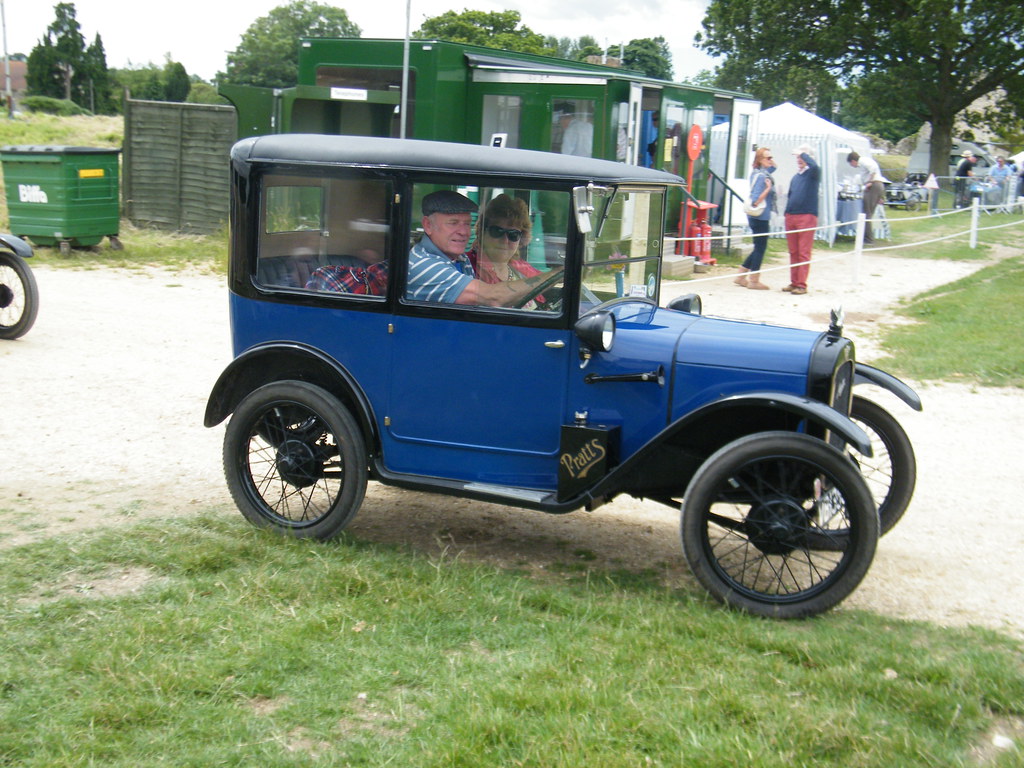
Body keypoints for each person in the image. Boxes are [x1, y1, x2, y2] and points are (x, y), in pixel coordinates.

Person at [407, 190, 560, 306]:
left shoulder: (458, 259)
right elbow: (493, 296)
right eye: (453, 223)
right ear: (427, 225)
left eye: (467, 223)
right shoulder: (425, 265)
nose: (463, 232)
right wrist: (558, 273)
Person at [467, 194, 546, 310]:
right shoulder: (466, 266)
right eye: (497, 231)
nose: (505, 240)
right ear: (482, 232)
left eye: (513, 235)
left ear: (521, 238)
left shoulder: (521, 268)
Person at [735, 147, 776, 290]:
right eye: (768, 158)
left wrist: (768, 157)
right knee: (760, 247)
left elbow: (774, 168)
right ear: (759, 160)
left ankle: (741, 274)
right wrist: (767, 189)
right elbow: (755, 200)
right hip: (760, 215)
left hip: (756, 216)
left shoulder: (757, 173)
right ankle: (754, 279)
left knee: (758, 246)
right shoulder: (761, 177)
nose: (771, 160)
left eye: (771, 157)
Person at [782, 145, 820, 295]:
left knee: (803, 251)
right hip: (792, 215)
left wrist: (803, 154)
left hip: (806, 215)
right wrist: (786, 213)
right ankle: (794, 281)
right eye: (798, 158)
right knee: (793, 251)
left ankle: (801, 284)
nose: (799, 160)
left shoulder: (813, 174)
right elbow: (791, 195)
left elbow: (815, 165)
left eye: (802, 157)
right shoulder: (796, 177)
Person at [847, 151, 889, 244]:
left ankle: (868, 239)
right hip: (877, 185)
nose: (852, 166)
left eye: (851, 163)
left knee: (867, 213)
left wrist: (870, 182)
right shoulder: (863, 163)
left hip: (873, 185)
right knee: (868, 213)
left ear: (853, 161)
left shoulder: (863, 161)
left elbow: (873, 169)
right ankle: (866, 236)